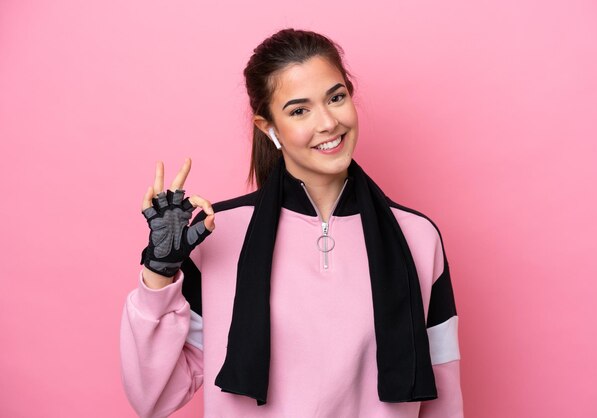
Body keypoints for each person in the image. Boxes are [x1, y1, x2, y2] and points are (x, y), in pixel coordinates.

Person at [121, 28, 463, 418]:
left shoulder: (418, 237)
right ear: (268, 128)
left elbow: (443, 393)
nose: (328, 123)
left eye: (336, 98)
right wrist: (158, 272)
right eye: (300, 110)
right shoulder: (217, 234)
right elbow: (153, 397)